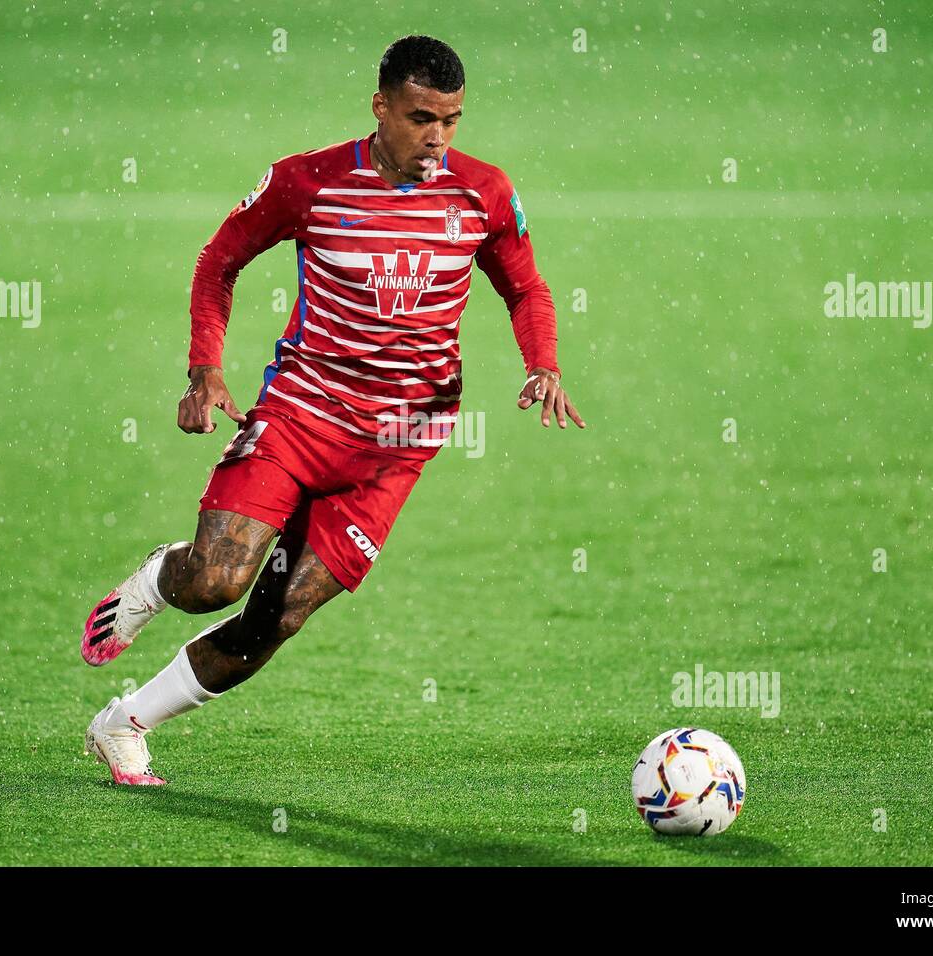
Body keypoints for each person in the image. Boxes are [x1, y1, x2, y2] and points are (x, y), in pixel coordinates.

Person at [80, 35, 585, 785]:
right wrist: (204, 368)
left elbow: (525, 286)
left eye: (451, 120)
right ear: (380, 107)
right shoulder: (307, 182)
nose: (438, 138)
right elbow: (220, 261)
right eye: (421, 118)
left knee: (275, 619)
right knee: (217, 581)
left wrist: (542, 363)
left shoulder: (483, 192)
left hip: (398, 447)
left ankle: (125, 723)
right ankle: (161, 579)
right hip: (301, 417)